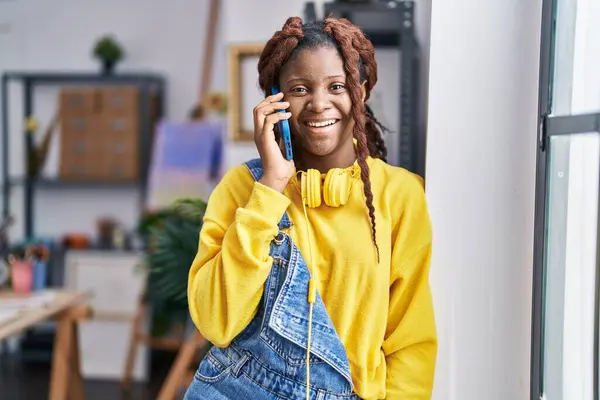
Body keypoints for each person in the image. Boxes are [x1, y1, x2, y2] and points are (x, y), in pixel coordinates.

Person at [185, 16, 437, 400]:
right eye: (300, 88)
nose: (320, 104)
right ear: (275, 99)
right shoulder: (243, 188)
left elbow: (410, 339)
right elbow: (216, 321)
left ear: (361, 91)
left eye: (337, 86)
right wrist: (270, 188)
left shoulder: (399, 194)